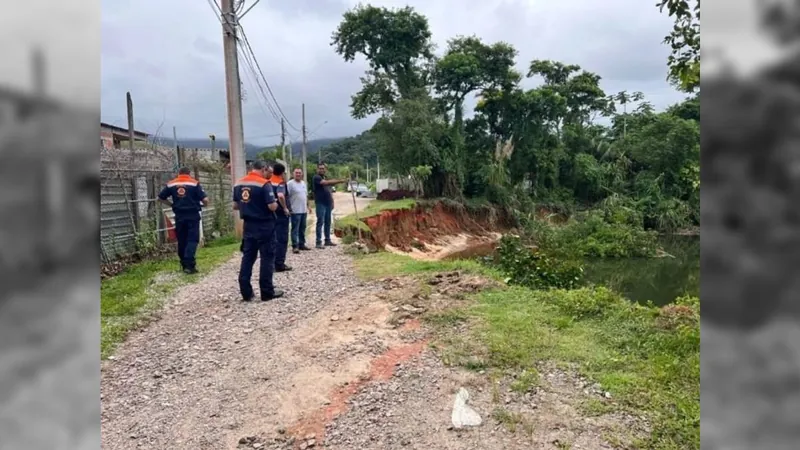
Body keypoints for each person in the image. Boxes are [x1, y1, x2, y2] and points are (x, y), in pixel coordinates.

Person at [232, 161, 284, 301]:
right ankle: (267, 292)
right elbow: (272, 206)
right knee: (267, 257)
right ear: (263, 169)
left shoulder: (238, 183)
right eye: (267, 171)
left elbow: (235, 206)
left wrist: (249, 206)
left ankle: (246, 292)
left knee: (248, 257)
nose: (268, 174)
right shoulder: (264, 184)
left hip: (248, 225)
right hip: (265, 225)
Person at [158, 167, 209, 274]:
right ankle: (189, 264)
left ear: (179, 173)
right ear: (189, 173)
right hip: (192, 215)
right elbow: (205, 199)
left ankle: (183, 263)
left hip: (179, 215)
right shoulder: (194, 183)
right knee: (192, 239)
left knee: (182, 240)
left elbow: (161, 198)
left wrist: (172, 205)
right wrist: (204, 205)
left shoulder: (171, 184)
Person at [312, 163, 347, 249]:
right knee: (320, 221)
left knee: (328, 222)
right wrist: (340, 181)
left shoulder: (325, 177)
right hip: (320, 203)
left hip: (328, 203)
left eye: (323, 168)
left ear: (325, 169)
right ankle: (318, 242)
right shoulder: (316, 177)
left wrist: (332, 201)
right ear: (317, 169)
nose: (322, 170)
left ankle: (327, 240)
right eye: (320, 168)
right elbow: (325, 183)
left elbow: (328, 190)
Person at [269, 162, 292, 272]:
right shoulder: (280, 182)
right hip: (280, 214)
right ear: (282, 173)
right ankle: (279, 264)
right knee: (282, 239)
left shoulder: (268, 181)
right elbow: (281, 195)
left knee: (272, 238)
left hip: (270, 214)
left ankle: (271, 263)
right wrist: (285, 208)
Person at [286, 167, 311, 254]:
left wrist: (308, 206)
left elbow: (305, 195)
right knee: (295, 229)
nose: (298, 174)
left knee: (302, 228)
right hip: (295, 210)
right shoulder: (290, 184)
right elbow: (286, 196)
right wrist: (288, 208)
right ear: (293, 174)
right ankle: (295, 246)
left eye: (299, 173)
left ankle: (302, 244)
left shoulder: (304, 183)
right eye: (296, 173)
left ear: (302, 174)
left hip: (303, 210)